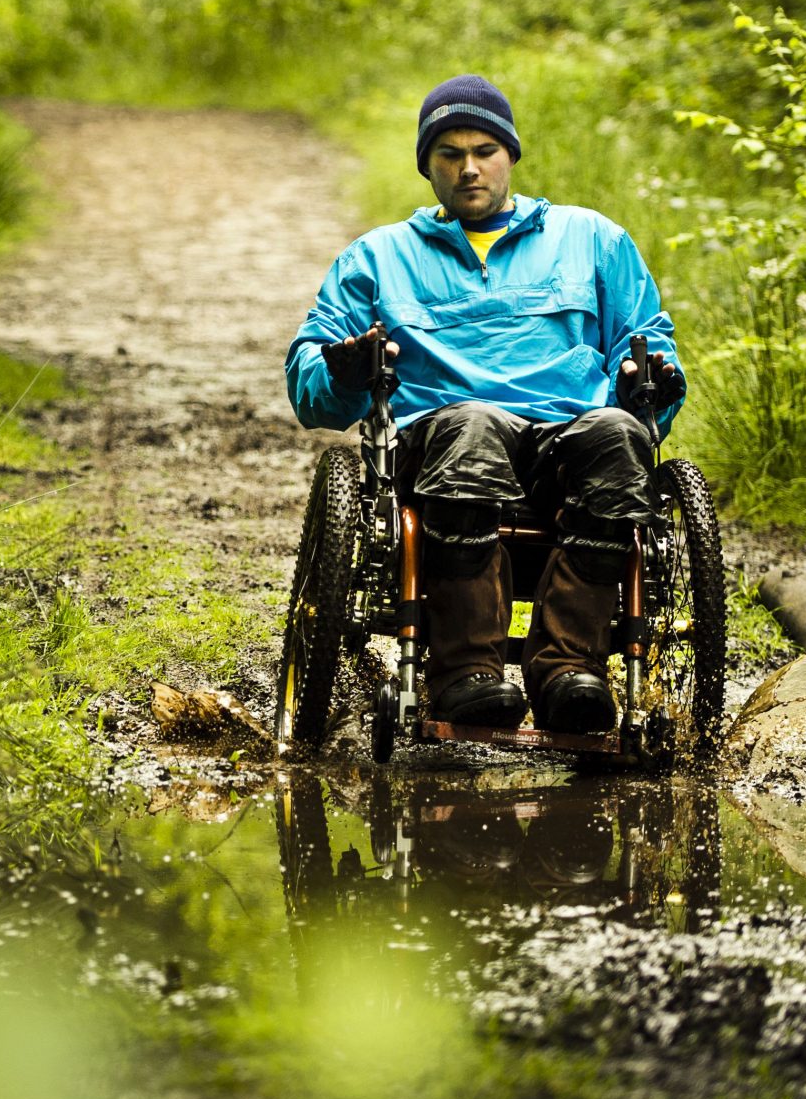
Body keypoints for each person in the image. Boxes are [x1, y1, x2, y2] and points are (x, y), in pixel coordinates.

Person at [284, 74, 684, 733]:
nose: (468, 168)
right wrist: (344, 371)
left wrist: (653, 384)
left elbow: (645, 345)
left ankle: (565, 670)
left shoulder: (593, 241)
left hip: (567, 439)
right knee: (474, 425)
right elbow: (311, 384)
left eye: (484, 150)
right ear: (427, 168)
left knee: (618, 435)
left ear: (511, 155)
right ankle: (466, 670)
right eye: (449, 154)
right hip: (443, 442)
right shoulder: (379, 258)